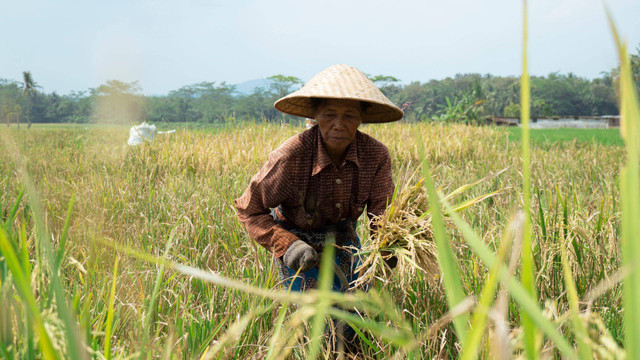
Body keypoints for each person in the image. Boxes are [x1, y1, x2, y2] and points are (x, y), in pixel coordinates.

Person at [234, 64, 402, 352]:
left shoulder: (376, 155)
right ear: (315, 117)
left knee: (354, 319)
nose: (339, 124)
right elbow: (249, 209)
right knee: (314, 327)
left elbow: (380, 211)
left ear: (361, 118)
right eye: (330, 115)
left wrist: (387, 245)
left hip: (344, 238)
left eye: (349, 115)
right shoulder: (292, 155)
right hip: (299, 238)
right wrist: (287, 245)